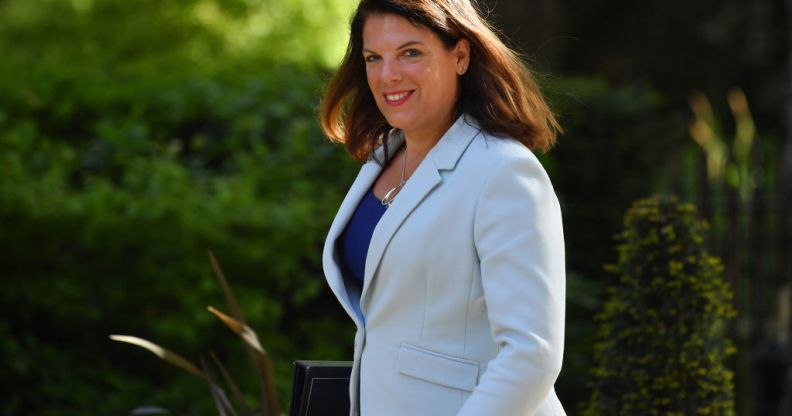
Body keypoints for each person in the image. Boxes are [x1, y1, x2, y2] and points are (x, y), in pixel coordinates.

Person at [319, 0, 566, 414]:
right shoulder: (383, 157)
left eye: (411, 52)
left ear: (461, 56)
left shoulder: (504, 171)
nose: (388, 74)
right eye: (373, 58)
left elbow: (531, 355)